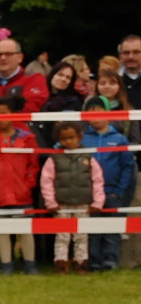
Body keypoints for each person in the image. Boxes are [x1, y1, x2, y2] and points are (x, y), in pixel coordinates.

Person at [0, 94, 41, 275]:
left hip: (22, 192)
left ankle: (30, 264)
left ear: (13, 114)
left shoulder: (27, 138)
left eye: (4, 114)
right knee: (1, 232)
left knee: (26, 231)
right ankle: (6, 265)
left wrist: (28, 183)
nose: (0, 119)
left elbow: (33, 164)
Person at [41, 121, 103, 273]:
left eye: (72, 137)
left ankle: (81, 263)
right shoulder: (54, 158)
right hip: (61, 205)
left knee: (81, 236)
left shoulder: (88, 157)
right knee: (62, 236)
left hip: (83, 203)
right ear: (59, 140)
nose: (68, 141)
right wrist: (50, 202)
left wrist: (98, 201)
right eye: (64, 139)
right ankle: (61, 264)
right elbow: (46, 180)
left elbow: (98, 179)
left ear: (79, 137)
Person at [82, 101, 134, 271]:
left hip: (112, 191)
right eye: (91, 113)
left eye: (99, 111)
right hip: (90, 193)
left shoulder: (119, 139)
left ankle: (110, 261)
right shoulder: (83, 139)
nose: (96, 116)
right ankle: (94, 261)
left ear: (108, 113)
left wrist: (119, 191)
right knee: (92, 229)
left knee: (113, 228)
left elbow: (127, 166)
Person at [0, 39, 48, 113]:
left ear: (20, 57)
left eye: (8, 54)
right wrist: (14, 103)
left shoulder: (35, 79)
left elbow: (30, 107)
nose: (3, 58)